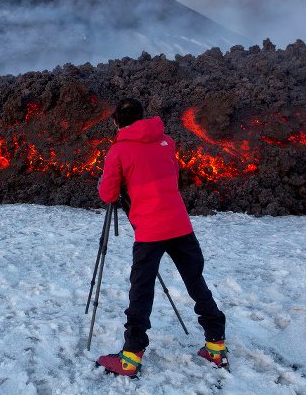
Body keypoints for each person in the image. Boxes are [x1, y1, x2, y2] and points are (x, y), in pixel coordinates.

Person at [95, 98, 227, 377]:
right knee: (195, 281)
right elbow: (172, 176)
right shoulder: (167, 141)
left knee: (141, 289)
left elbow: (108, 194)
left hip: (150, 230)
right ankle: (216, 346)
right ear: (142, 118)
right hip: (179, 223)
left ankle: (130, 357)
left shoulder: (118, 150)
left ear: (117, 121)